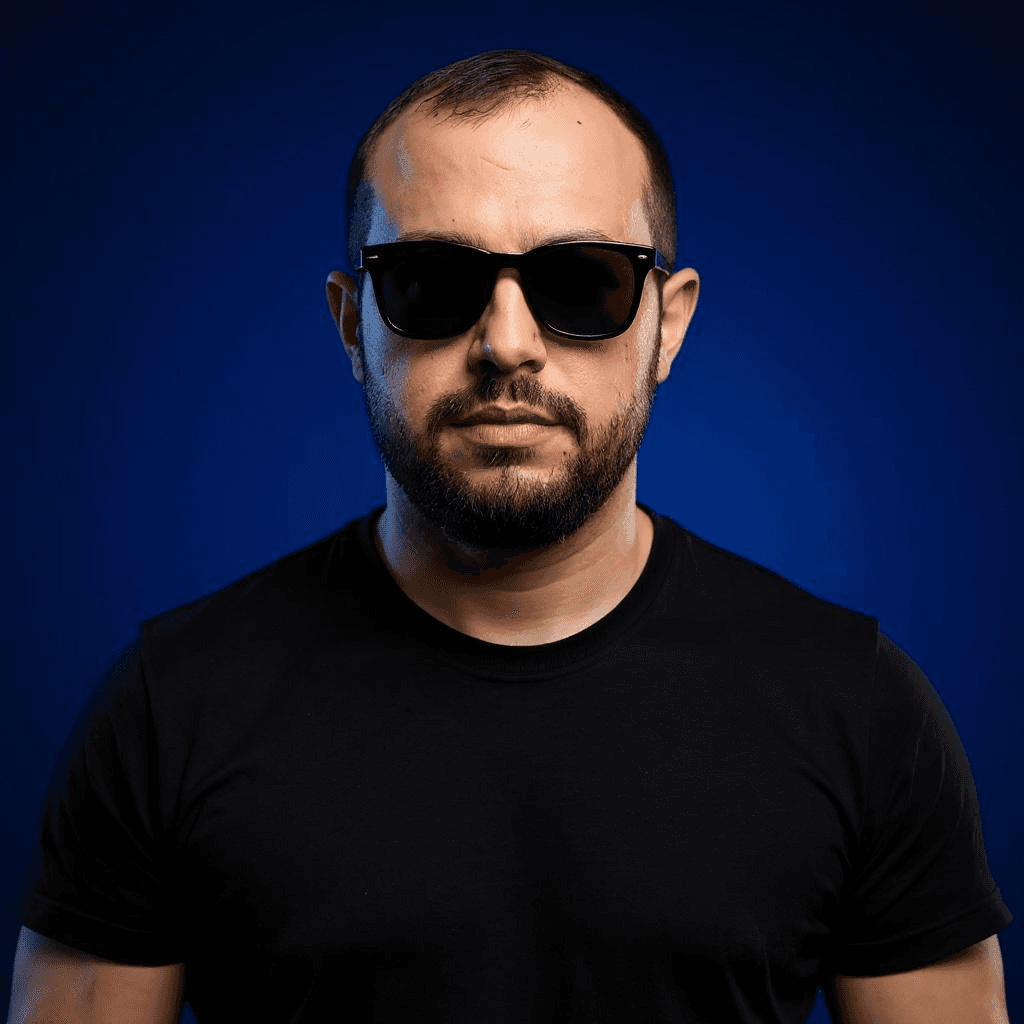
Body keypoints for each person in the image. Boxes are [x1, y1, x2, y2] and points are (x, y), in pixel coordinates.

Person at [10, 48, 1012, 1024]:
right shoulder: (172, 706)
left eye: (582, 281)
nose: (507, 343)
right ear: (353, 323)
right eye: (429, 281)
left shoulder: (857, 704)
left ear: (667, 324)